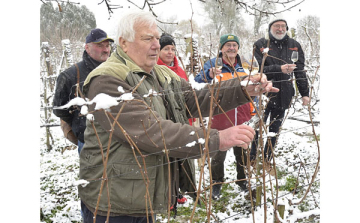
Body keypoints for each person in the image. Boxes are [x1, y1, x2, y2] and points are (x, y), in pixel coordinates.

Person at [78, 10, 278, 223]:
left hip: (139, 192)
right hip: (112, 202)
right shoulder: (107, 80)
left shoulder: (160, 74)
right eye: (148, 39)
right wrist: (217, 138)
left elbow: (195, 99)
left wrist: (242, 88)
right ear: (124, 43)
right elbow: (150, 132)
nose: (156, 44)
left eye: (157, 37)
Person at [194, 34, 256, 199]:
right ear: (221, 48)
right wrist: (208, 74)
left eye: (234, 45)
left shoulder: (244, 66)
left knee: (242, 153)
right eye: (228, 45)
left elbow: (251, 88)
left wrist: (253, 106)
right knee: (218, 154)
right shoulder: (213, 65)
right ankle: (216, 183)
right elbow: (197, 84)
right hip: (219, 118)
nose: (231, 48)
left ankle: (242, 181)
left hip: (242, 117)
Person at [251, 17, 310, 163]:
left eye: (283, 26)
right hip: (263, 94)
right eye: (277, 26)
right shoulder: (260, 45)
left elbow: (300, 70)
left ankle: (267, 159)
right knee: (256, 128)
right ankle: (251, 159)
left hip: (284, 94)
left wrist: (305, 94)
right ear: (270, 28)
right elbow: (257, 70)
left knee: (274, 130)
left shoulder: (294, 45)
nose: (280, 29)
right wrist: (279, 69)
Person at [53, 28, 114, 154]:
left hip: (116, 139)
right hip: (89, 143)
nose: (106, 49)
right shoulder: (70, 76)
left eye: (107, 45)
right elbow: (60, 108)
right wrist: (79, 124)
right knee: (93, 173)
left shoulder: (115, 70)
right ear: (87, 48)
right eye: (100, 45)